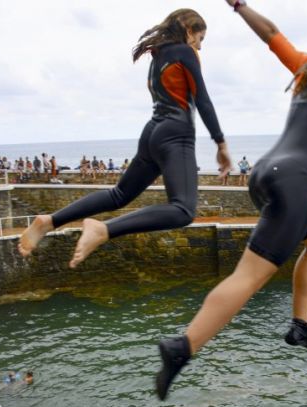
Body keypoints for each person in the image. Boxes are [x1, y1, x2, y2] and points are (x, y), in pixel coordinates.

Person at [155, 0, 307, 400]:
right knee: (248, 277)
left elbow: (270, 35)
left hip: (267, 175)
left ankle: (300, 326)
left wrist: (241, 7)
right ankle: (183, 347)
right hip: (297, 183)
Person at [18, 9, 232, 269]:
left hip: (152, 133)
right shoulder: (184, 52)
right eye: (200, 39)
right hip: (176, 135)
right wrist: (220, 143)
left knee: (120, 194)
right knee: (183, 210)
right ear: (188, 30)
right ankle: (103, 230)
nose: (200, 46)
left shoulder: (158, 56)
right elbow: (203, 99)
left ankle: (49, 221)